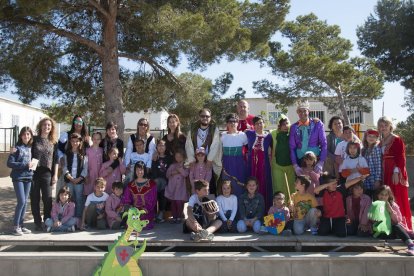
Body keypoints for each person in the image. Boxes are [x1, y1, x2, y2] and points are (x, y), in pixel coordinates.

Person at [377, 116, 412, 231]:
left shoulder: (396, 139)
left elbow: (401, 158)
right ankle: (389, 225)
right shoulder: (380, 142)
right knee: (386, 196)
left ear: (390, 126)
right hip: (384, 172)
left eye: (385, 125)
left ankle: (403, 227)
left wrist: (396, 172)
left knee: (396, 196)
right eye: (381, 126)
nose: (383, 128)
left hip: (393, 171)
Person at [31, 117, 59, 231]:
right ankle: (37, 222)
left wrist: (55, 175)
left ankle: (47, 220)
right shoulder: (34, 139)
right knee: (34, 198)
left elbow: (56, 160)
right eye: (44, 124)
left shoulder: (54, 142)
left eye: (49, 125)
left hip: (47, 173)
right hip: (34, 172)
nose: (46, 127)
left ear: (51, 127)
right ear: (41, 126)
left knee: (47, 199)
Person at [185, 108, 222, 195]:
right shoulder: (193, 129)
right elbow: (189, 145)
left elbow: (215, 144)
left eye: (207, 116)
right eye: (203, 116)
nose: (205, 118)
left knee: (210, 185)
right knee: (195, 185)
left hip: (209, 162)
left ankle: (209, 206)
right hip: (196, 161)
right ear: (199, 117)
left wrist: (209, 160)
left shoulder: (214, 129)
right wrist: (192, 160)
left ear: (210, 117)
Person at [7, 127, 34, 235]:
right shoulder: (16, 148)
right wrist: (24, 165)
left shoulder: (31, 148)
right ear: (20, 136)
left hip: (28, 177)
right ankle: (15, 226)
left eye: (28, 134)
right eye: (24, 134)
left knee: (25, 202)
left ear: (31, 136)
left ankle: (21, 225)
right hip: (18, 178)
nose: (26, 136)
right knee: (21, 201)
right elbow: (9, 163)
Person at [289, 100, 327, 176]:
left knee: (316, 184)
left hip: (315, 160)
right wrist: (295, 165)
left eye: (304, 111)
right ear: (297, 112)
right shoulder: (293, 127)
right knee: (301, 185)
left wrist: (321, 162)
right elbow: (292, 147)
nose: (302, 113)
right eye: (300, 111)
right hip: (300, 160)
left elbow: (324, 143)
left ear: (308, 111)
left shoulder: (317, 124)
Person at [375, 185, 414, 256]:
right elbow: (371, 219)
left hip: (393, 230)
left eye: (385, 195)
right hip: (381, 232)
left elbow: (398, 220)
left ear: (389, 196)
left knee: (396, 226)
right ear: (378, 195)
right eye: (381, 194)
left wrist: (391, 211)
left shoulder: (393, 205)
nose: (383, 197)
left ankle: (410, 245)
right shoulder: (375, 205)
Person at [246, 115, 272, 209]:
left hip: (264, 165)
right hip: (251, 165)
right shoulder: (248, 134)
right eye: (256, 123)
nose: (259, 125)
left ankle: (264, 209)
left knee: (263, 184)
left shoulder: (269, 136)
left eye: (261, 123)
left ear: (264, 124)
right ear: (254, 125)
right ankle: (251, 208)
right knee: (251, 183)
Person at [121, 161, 157, 230]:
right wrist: (132, 209)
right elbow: (127, 199)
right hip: (134, 212)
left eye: (141, 170)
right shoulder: (130, 185)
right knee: (131, 223)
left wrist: (143, 211)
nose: (139, 172)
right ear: (134, 171)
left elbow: (153, 201)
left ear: (144, 170)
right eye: (137, 170)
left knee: (144, 224)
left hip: (146, 211)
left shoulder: (152, 184)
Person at [270, 114, 295, 205]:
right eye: (283, 124)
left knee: (292, 189)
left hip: (291, 166)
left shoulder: (293, 133)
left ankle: (291, 211)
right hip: (277, 166)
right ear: (279, 125)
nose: (285, 126)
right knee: (279, 188)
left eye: (287, 123)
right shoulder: (273, 134)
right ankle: (279, 211)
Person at [221, 113, 248, 197]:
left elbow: (248, 148)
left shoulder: (242, 135)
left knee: (239, 185)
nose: (232, 123)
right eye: (230, 121)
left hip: (239, 164)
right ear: (227, 123)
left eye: (235, 121)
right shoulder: (222, 136)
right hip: (227, 164)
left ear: (238, 123)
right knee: (227, 185)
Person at [62, 133, 88, 218]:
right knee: (69, 200)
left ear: (80, 142)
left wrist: (79, 178)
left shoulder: (83, 154)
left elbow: (85, 168)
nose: (75, 143)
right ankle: (69, 217)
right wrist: (69, 177)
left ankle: (78, 218)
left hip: (79, 182)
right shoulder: (67, 153)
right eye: (73, 141)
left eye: (77, 141)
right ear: (70, 142)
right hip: (69, 181)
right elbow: (64, 166)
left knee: (79, 200)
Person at [165, 149, 189, 223]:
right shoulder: (172, 165)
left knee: (179, 202)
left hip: (181, 188)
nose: (178, 158)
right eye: (177, 156)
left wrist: (180, 170)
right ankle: (174, 217)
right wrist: (175, 172)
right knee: (173, 202)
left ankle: (179, 216)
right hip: (172, 187)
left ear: (183, 157)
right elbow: (167, 174)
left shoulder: (185, 165)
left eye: (180, 157)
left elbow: (185, 174)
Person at [151, 139, 173, 223]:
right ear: (156, 147)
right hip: (156, 181)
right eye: (159, 145)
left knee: (163, 196)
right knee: (154, 196)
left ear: (165, 147)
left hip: (165, 181)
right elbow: (153, 169)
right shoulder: (155, 157)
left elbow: (170, 170)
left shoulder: (169, 158)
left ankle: (161, 212)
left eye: (163, 145)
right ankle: (153, 214)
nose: (161, 147)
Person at [362, 129, 382, 198]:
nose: (371, 138)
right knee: (368, 197)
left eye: (374, 137)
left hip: (374, 179)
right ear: (366, 137)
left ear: (377, 138)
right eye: (370, 136)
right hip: (367, 179)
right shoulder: (365, 149)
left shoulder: (376, 148)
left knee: (374, 198)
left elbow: (378, 165)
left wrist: (377, 180)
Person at [85, 132, 103, 197]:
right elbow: (85, 164)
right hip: (90, 175)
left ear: (100, 140)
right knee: (89, 193)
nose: (96, 140)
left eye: (98, 139)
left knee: (98, 192)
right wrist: (86, 175)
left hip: (100, 175)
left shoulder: (102, 150)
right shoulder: (87, 151)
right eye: (94, 139)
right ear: (92, 139)